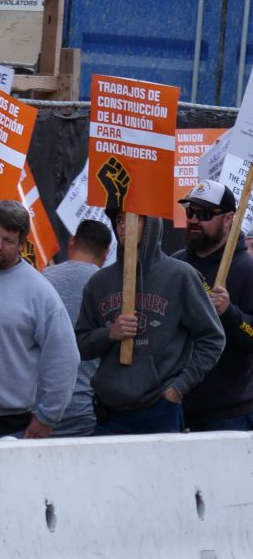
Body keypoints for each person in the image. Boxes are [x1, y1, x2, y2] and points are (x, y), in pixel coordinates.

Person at [75, 214, 223, 435]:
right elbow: (80, 345)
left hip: (159, 410)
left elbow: (213, 338)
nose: (124, 226)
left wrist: (178, 388)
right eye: (119, 221)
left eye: (133, 219)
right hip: (109, 413)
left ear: (152, 224)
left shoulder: (181, 276)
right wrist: (109, 334)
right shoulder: (98, 283)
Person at [0, 199, 79, 441]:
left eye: (8, 241)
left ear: (22, 244)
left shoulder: (40, 293)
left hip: (10, 425)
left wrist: (47, 417)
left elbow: (64, 359)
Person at [172, 180, 253, 432]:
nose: (194, 220)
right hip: (178, 405)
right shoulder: (176, 266)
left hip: (229, 413)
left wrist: (230, 313)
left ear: (229, 219)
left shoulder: (246, 270)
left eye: (205, 214)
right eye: (190, 212)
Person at [39, 218, 111, 438]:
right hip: (88, 411)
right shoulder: (110, 287)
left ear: (71, 242)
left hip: (40, 411)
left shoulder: (40, 280)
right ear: (106, 253)